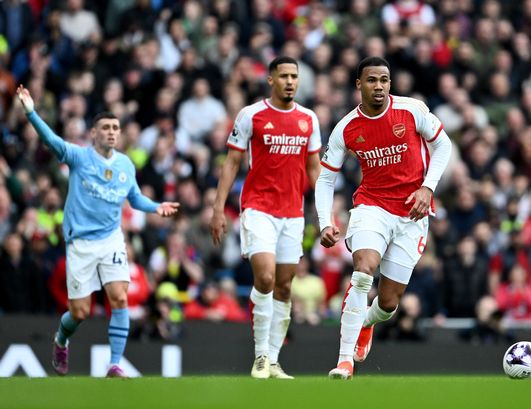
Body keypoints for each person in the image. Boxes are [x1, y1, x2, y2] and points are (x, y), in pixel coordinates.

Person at [16, 85, 180, 378]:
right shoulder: (80, 157)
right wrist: (31, 113)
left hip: (111, 240)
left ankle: (114, 364)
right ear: (94, 134)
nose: (112, 132)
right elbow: (51, 140)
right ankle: (61, 339)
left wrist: (156, 207)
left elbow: (135, 198)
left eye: (115, 128)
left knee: (119, 297)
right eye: (105, 128)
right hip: (80, 243)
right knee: (79, 313)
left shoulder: (125, 165)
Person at [315, 56, 452, 379]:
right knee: (363, 269)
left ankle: (365, 324)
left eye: (384, 80)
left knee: (389, 303)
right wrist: (325, 221)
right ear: (358, 84)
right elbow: (325, 179)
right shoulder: (346, 128)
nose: (379, 86)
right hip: (371, 207)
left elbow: (443, 146)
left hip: (412, 212)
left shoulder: (411, 110)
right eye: (372, 80)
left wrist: (427, 189)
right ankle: (345, 361)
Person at [210, 56, 321, 379]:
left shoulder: (309, 119)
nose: (289, 81)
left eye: (294, 76)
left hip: (293, 212)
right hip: (258, 208)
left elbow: (314, 168)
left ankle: (273, 360)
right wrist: (218, 209)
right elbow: (231, 163)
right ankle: (259, 356)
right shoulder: (251, 115)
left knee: (285, 286)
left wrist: (326, 213)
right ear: (270, 80)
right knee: (267, 278)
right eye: (283, 76)